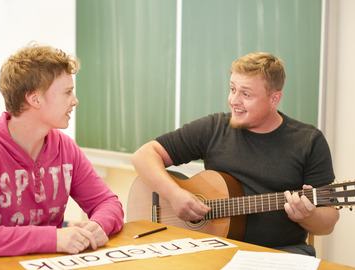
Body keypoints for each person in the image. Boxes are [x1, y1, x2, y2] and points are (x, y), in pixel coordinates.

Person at [131, 52, 339, 256]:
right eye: (232, 89)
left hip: (279, 253)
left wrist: (307, 216)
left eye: (246, 94)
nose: (234, 101)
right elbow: (143, 155)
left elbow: (326, 224)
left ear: (274, 99)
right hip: (210, 248)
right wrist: (174, 195)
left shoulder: (308, 141)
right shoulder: (213, 128)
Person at [0, 43, 124, 258]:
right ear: (34, 99)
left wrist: (99, 224)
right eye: (67, 93)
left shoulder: (65, 147)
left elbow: (108, 203)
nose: (75, 101)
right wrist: (52, 239)